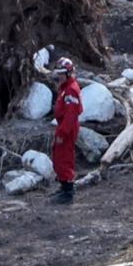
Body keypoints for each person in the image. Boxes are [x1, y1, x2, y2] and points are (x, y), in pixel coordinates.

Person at [51, 57, 83, 204]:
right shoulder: (65, 88)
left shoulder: (70, 90)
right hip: (64, 126)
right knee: (59, 156)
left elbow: (71, 115)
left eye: (62, 74)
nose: (59, 77)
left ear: (68, 74)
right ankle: (64, 186)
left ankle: (68, 191)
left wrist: (62, 133)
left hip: (67, 128)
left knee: (65, 158)